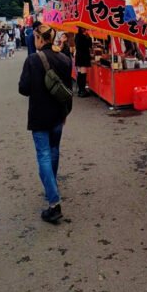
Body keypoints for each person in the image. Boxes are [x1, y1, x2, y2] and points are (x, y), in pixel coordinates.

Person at [19, 24, 73, 223]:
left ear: (40, 39)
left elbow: (23, 89)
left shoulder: (33, 60)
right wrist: (67, 112)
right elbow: (69, 90)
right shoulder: (65, 59)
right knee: (54, 150)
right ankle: (52, 185)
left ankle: (54, 201)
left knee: (43, 154)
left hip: (39, 115)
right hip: (59, 114)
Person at [74, 27, 92, 97]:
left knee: (80, 73)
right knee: (83, 74)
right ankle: (82, 91)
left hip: (79, 56)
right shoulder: (83, 36)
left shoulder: (77, 36)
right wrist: (88, 37)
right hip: (83, 57)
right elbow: (89, 45)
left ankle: (80, 90)